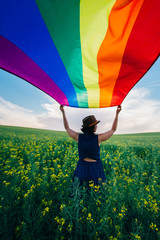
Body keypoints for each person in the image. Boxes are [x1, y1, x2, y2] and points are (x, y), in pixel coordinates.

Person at [60, 105, 121, 187]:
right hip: (95, 167)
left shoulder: (78, 137)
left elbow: (67, 128)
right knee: (96, 192)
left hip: (81, 167)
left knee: (80, 190)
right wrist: (117, 113)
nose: (97, 126)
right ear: (92, 127)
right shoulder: (99, 138)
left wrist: (63, 112)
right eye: (95, 124)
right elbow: (113, 129)